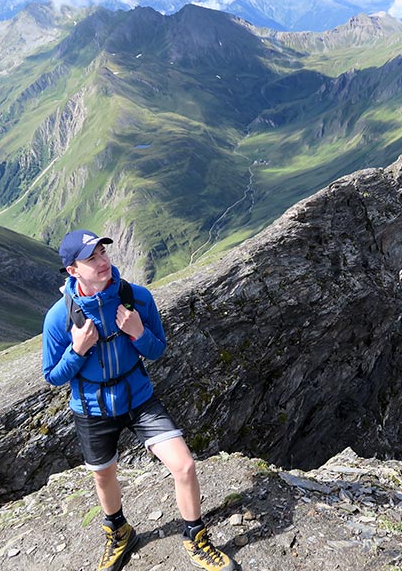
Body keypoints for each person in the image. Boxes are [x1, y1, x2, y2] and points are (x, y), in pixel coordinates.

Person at [42, 230, 236, 571]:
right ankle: (120, 532)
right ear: (72, 270)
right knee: (104, 476)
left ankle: (196, 538)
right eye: (92, 259)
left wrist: (137, 333)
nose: (103, 262)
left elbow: (157, 349)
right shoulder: (59, 318)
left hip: (139, 398)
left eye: (103, 253)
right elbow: (53, 376)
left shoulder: (138, 298)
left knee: (185, 465)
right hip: (92, 408)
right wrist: (77, 349)